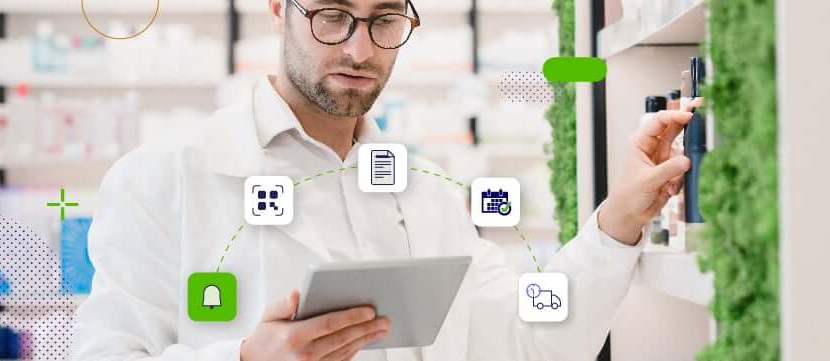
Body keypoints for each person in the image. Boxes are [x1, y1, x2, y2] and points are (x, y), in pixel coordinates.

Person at [70, 0, 702, 360]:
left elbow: (522, 339)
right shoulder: (162, 177)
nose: (359, 49)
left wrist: (619, 220)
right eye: (332, 16)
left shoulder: (425, 195)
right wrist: (241, 359)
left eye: (383, 20)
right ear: (276, 10)